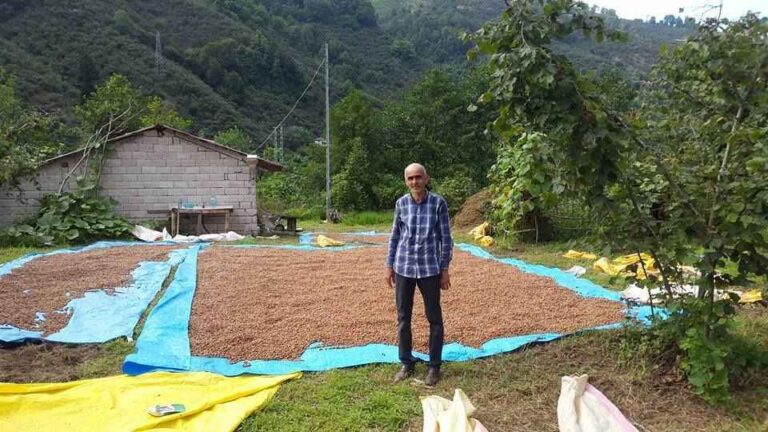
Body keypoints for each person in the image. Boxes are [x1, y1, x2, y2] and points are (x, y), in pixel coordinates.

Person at [386, 163, 452, 386]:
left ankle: (434, 366)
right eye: (410, 178)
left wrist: (445, 270)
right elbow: (394, 236)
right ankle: (406, 362)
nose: (415, 182)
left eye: (418, 177)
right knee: (403, 317)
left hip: (429, 269)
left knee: (434, 317)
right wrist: (389, 266)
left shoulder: (438, 203)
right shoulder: (401, 204)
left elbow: (446, 239)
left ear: (426, 178)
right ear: (406, 181)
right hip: (403, 267)